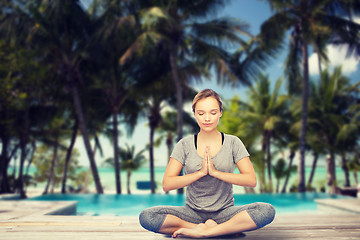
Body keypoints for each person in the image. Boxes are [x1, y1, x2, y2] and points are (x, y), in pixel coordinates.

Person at [139, 89, 275, 238]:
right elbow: (167, 184)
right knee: (148, 216)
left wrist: (216, 173)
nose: (207, 118)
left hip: (225, 212)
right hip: (191, 213)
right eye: (201, 113)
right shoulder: (184, 144)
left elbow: (251, 180)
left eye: (213, 112)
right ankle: (212, 228)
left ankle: (208, 231)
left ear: (220, 113)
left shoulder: (233, 142)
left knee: (266, 211)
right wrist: (200, 173)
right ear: (195, 114)